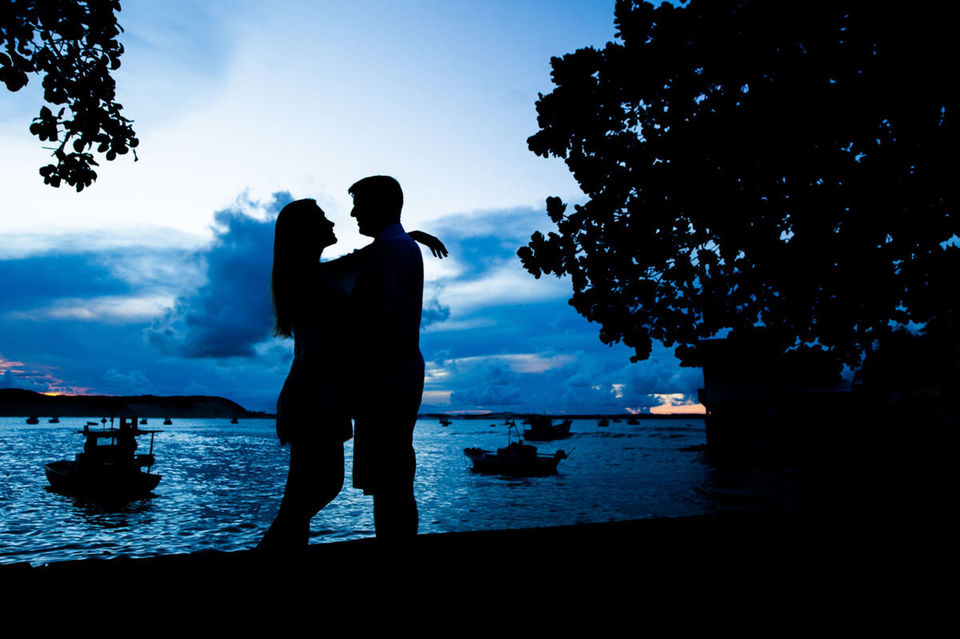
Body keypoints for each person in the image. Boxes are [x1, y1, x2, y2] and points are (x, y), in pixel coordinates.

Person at [258, 197, 445, 550]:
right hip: (314, 399)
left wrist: (407, 237)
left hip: (318, 398)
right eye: (322, 218)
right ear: (305, 233)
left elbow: (367, 257)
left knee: (308, 495)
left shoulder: (314, 275)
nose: (333, 222)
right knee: (308, 495)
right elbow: (365, 268)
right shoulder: (311, 279)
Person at [346, 175, 426, 540]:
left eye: (359, 206)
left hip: (386, 380)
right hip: (395, 376)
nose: (353, 214)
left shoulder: (390, 250)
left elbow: (384, 318)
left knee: (390, 482)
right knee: (393, 479)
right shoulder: (397, 246)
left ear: (379, 206)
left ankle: (394, 557)